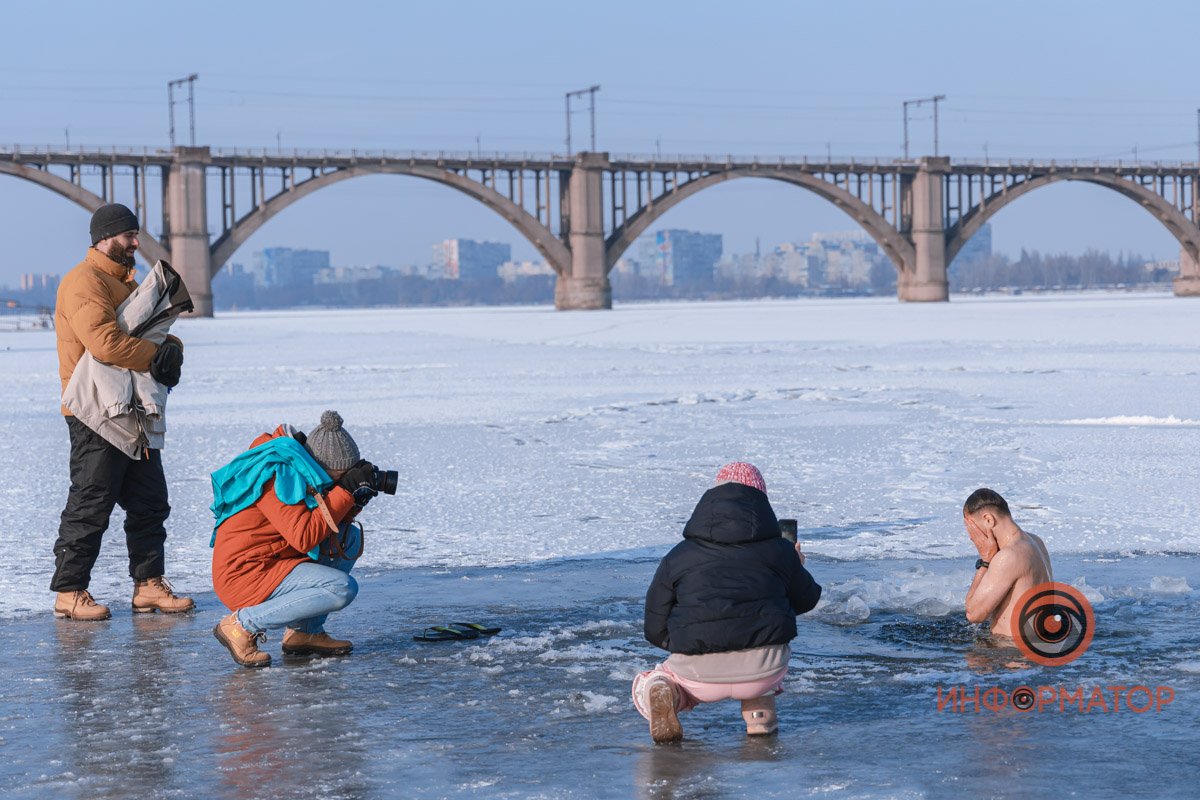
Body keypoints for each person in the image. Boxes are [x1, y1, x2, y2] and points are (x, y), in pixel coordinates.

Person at [51, 203, 192, 621]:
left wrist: (172, 350)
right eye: (129, 235)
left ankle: (148, 585)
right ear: (105, 237)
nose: (135, 243)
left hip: (132, 409)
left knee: (150, 502)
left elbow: (148, 332)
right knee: (91, 504)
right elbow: (106, 343)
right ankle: (69, 592)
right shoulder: (84, 282)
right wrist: (155, 358)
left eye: (135, 235)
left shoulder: (125, 284)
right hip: (94, 412)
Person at [634, 462, 822, 743]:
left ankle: (668, 692)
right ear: (760, 501)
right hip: (764, 669)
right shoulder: (780, 551)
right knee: (761, 665)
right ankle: (760, 720)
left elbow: (654, 626)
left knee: (659, 679)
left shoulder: (678, 556)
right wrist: (796, 566)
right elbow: (807, 600)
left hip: (698, 673)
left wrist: (686, 643)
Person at [210, 411, 382, 668]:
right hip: (245, 574)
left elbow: (322, 523)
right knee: (341, 589)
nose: (341, 481)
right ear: (325, 467)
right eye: (342, 475)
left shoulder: (302, 469)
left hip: (274, 560)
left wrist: (354, 501)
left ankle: (305, 632)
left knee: (349, 538)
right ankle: (241, 625)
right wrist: (344, 491)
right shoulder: (277, 475)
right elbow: (304, 537)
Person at [962, 487, 1053, 636]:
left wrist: (985, 560)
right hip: (1040, 640)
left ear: (988, 520)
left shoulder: (1008, 556)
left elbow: (974, 615)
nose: (971, 536)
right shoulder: (1035, 541)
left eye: (971, 527)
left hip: (1011, 647)